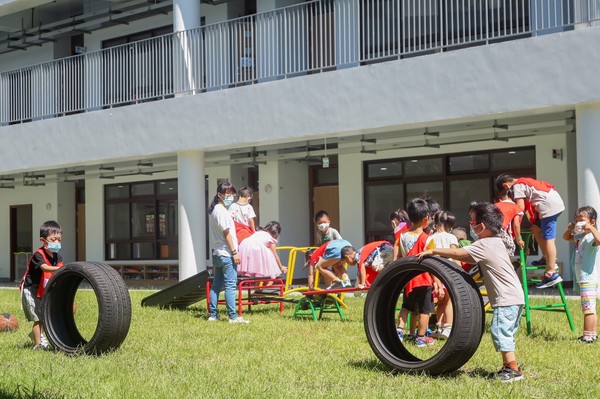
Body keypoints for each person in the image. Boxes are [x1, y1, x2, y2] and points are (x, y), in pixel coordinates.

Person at [418, 201, 525, 382]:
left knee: (500, 332)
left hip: (505, 299)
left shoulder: (485, 244)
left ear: (481, 226)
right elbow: (470, 258)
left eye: (472, 221)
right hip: (515, 296)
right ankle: (508, 366)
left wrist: (434, 250)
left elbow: (460, 253)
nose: (471, 225)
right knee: (505, 332)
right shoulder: (496, 242)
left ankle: (513, 369)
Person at [496, 174, 564, 288]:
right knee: (535, 229)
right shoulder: (524, 181)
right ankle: (546, 257)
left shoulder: (517, 186)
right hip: (553, 203)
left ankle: (551, 273)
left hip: (549, 207)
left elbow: (520, 207)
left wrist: (511, 216)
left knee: (549, 239)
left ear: (505, 185)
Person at [395, 198, 442, 347]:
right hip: (424, 279)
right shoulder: (428, 239)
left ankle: (400, 331)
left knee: (407, 307)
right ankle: (421, 337)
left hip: (408, 279)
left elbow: (401, 257)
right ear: (426, 220)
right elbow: (432, 262)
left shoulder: (402, 237)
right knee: (424, 311)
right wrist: (437, 282)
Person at [208, 182, 249, 324]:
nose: (230, 196)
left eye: (232, 193)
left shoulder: (215, 211)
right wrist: (235, 252)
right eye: (228, 193)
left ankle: (213, 315)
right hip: (226, 253)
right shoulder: (222, 211)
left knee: (216, 285)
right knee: (230, 286)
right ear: (220, 195)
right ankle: (233, 317)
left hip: (217, 254)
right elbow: (227, 233)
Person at [19, 220, 64, 350]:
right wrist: (60, 269)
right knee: (38, 318)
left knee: (45, 315)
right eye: (53, 239)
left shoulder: (57, 256)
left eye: (59, 240)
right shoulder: (38, 255)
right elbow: (44, 268)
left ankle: (38, 335)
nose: (57, 243)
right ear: (43, 240)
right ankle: (37, 345)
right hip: (31, 289)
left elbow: (61, 269)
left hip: (43, 289)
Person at [562, 206, 600, 343]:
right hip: (583, 279)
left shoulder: (591, 237)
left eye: (581, 220)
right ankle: (592, 334)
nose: (578, 223)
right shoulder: (580, 237)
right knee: (590, 308)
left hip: (588, 278)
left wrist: (591, 228)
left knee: (588, 309)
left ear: (592, 221)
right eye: (576, 220)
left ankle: (587, 337)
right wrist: (570, 228)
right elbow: (566, 237)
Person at [425, 210, 461, 340]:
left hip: (435, 273)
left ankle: (439, 327)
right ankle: (448, 327)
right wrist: (461, 271)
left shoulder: (430, 238)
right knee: (448, 301)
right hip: (449, 272)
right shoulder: (451, 237)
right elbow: (455, 255)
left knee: (440, 302)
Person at [494, 187, 524, 256]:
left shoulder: (494, 205)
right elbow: (516, 224)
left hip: (487, 230)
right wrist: (519, 239)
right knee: (506, 253)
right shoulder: (516, 207)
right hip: (501, 231)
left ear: (500, 198)